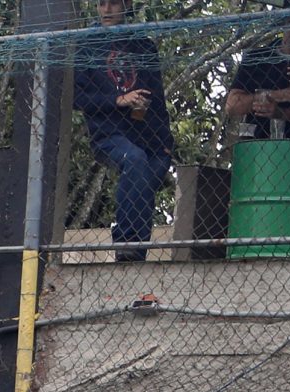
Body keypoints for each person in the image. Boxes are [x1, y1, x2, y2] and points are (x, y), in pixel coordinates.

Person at [75, 0, 176, 262]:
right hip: (108, 133)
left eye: (113, 4)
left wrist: (166, 142)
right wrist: (117, 101)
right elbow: (76, 98)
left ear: (126, 5)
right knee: (134, 160)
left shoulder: (143, 45)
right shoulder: (87, 44)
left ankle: (137, 250)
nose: (106, 10)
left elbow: (158, 98)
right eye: (101, 3)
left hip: (146, 133)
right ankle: (127, 243)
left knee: (148, 173)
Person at [224, 26, 290, 140]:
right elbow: (232, 105)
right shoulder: (257, 57)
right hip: (257, 140)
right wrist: (275, 95)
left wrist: (283, 114)